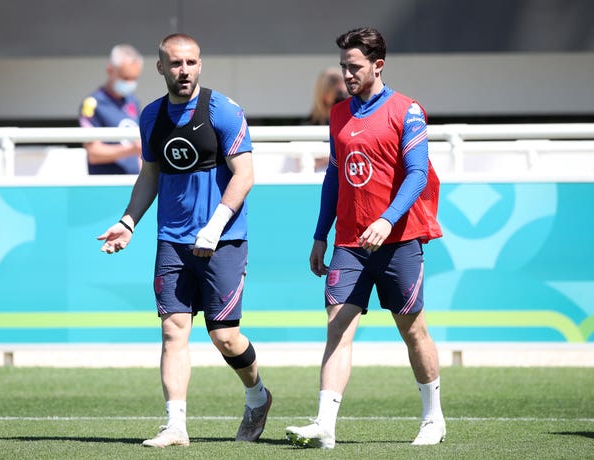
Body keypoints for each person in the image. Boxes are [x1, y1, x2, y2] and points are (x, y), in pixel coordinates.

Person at [96, 33, 272, 448]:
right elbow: (150, 174)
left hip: (224, 239)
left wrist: (214, 226)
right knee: (174, 330)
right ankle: (175, 426)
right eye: (175, 63)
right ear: (161, 68)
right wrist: (128, 221)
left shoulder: (223, 110)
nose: (184, 70)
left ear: (200, 64)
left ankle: (257, 396)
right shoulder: (152, 116)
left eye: (191, 62)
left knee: (224, 335)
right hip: (172, 240)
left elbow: (245, 175)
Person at [285, 26, 445, 449]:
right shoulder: (339, 114)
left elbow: (416, 174)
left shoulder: (407, 111)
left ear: (378, 65)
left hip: (398, 241)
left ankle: (433, 418)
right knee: (337, 329)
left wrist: (389, 219)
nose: (347, 74)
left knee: (414, 331)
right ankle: (324, 425)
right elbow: (333, 178)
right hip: (350, 244)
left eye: (354, 67)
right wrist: (321, 234)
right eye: (342, 66)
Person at [79, 44, 144, 174]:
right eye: (125, 78)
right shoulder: (93, 104)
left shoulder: (133, 101)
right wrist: (132, 149)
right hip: (107, 186)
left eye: (134, 78)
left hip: (133, 184)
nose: (129, 83)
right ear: (110, 70)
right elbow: (93, 153)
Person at [304, 68, 348, 172]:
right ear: (324, 95)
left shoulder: (351, 120)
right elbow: (307, 163)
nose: (344, 101)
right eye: (338, 96)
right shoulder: (311, 125)